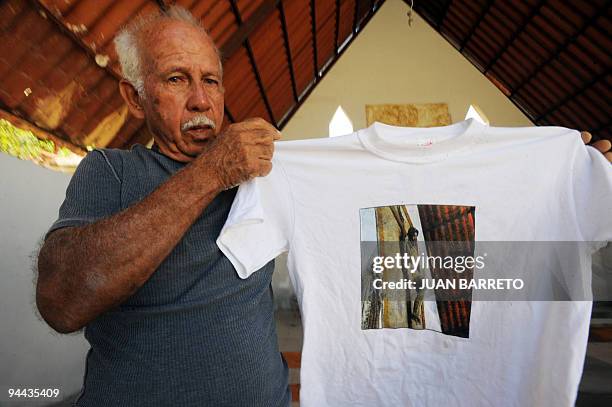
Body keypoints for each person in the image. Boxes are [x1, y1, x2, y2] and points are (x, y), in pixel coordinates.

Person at [35, 6, 289, 407]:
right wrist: (211, 173)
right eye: (176, 79)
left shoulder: (264, 172)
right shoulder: (110, 171)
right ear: (135, 98)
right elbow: (61, 302)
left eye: (211, 81)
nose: (201, 101)